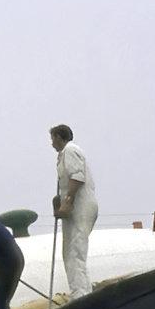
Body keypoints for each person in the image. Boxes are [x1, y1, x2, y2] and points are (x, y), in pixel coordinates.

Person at [50, 124, 98, 298]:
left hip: (81, 205)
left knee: (75, 250)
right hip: (74, 208)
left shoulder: (70, 151)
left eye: (52, 139)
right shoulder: (63, 156)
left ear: (58, 137)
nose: (52, 144)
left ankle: (81, 295)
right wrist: (60, 201)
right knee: (69, 251)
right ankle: (81, 291)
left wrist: (68, 201)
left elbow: (77, 176)